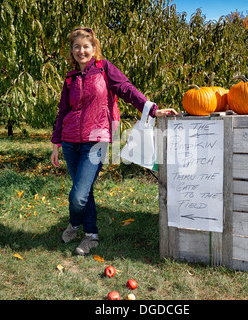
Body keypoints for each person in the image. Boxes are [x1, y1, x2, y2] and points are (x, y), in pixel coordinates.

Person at [50, 27, 177, 255]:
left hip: (96, 140)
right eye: (77, 47)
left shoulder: (104, 69)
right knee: (84, 191)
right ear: (72, 50)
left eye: (86, 46)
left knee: (78, 195)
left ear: (94, 48)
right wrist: (56, 144)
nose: (81, 51)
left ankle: (75, 224)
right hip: (70, 142)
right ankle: (90, 235)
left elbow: (126, 90)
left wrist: (151, 110)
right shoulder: (69, 79)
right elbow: (62, 111)